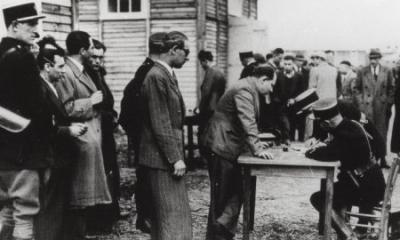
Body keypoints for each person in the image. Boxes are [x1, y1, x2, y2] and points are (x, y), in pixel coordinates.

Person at [201, 65, 275, 240]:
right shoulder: (244, 89)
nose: (271, 89)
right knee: (222, 198)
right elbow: (247, 120)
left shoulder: (248, 87)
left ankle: (223, 230)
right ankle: (218, 235)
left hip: (228, 145)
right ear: (263, 79)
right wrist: (256, 147)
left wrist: (254, 144)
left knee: (239, 189)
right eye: (271, 84)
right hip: (221, 145)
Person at [55, 30, 112, 240]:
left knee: (84, 201)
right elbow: (65, 108)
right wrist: (91, 102)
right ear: (82, 50)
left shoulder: (82, 69)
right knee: (77, 201)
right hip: (79, 141)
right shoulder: (67, 72)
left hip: (89, 141)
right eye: (90, 48)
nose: (92, 51)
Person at [0, 3, 48, 240]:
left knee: (7, 208)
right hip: (24, 147)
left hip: (3, 147)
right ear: (15, 26)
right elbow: (37, 107)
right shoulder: (22, 58)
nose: (35, 30)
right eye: (31, 24)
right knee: (25, 213)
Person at [139, 31, 192, 240]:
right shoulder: (155, 76)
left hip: (164, 157)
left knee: (170, 215)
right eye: (185, 51)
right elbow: (160, 122)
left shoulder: (165, 73)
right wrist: (175, 158)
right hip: (160, 159)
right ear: (173, 50)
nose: (187, 56)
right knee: (170, 215)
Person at [306, 98, 385, 240]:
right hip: (366, 183)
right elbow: (333, 150)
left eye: (321, 124)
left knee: (319, 198)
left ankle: (348, 235)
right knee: (332, 194)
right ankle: (350, 230)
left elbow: (326, 154)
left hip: (366, 189)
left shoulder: (344, 134)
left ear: (326, 123)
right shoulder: (349, 126)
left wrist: (310, 152)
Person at [33, 36, 88, 240]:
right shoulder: (39, 90)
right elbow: (41, 128)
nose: (64, 71)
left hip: (60, 158)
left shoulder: (51, 86)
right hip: (51, 158)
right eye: (60, 66)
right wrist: (68, 131)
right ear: (47, 67)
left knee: (59, 209)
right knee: (50, 211)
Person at [119, 32, 167, 234]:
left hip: (143, 134)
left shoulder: (148, 70)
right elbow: (135, 109)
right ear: (163, 50)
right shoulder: (149, 72)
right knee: (146, 176)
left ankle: (147, 216)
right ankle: (145, 217)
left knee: (146, 176)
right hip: (145, 136)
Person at [84, 39, 122, 233]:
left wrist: (113, 115)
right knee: (99, 173)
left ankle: (109, 213)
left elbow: (107, 103)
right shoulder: (86, 77)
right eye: (94, 57)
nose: (97, 61)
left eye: (101, 58)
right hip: (94, 132)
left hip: (106, 132)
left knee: (109, 171)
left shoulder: (99, 75)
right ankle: (97, 220)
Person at [354, 48, 395, 139]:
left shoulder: (387, 70)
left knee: (382, 131)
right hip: (367, 107)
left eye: (375, 59)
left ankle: (382, 152)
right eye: (371, 58)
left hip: (382, 107)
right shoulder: (362, 71)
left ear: (379, 59)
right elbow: (356, 88)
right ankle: (370, 151)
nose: (372, 61)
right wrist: (361, 103)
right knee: (368, 130)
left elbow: (391, 88)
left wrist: (388, 102)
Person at [273, 55, 307, 142]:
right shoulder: (278, 75)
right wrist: (278, 101)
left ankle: (292, 139)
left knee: (293, 122)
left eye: (289, 64)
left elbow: (302, 90)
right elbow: (275, 90)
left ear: (293, 65)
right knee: (284, 123)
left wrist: (294, 100)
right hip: (281, 104)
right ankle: (285, 139)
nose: (287, 66)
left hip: (294, 104)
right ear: (283, 64)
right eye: (285, 64)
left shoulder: (299, 76)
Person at [197, 50, 227, 138]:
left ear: (205, 61)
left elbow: (206, 92)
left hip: (209, 110)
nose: (201, 66)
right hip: (218, 108)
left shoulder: (211, 72)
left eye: (201, 62)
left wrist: (200, 108)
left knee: (204, 135)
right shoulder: (219, 71)